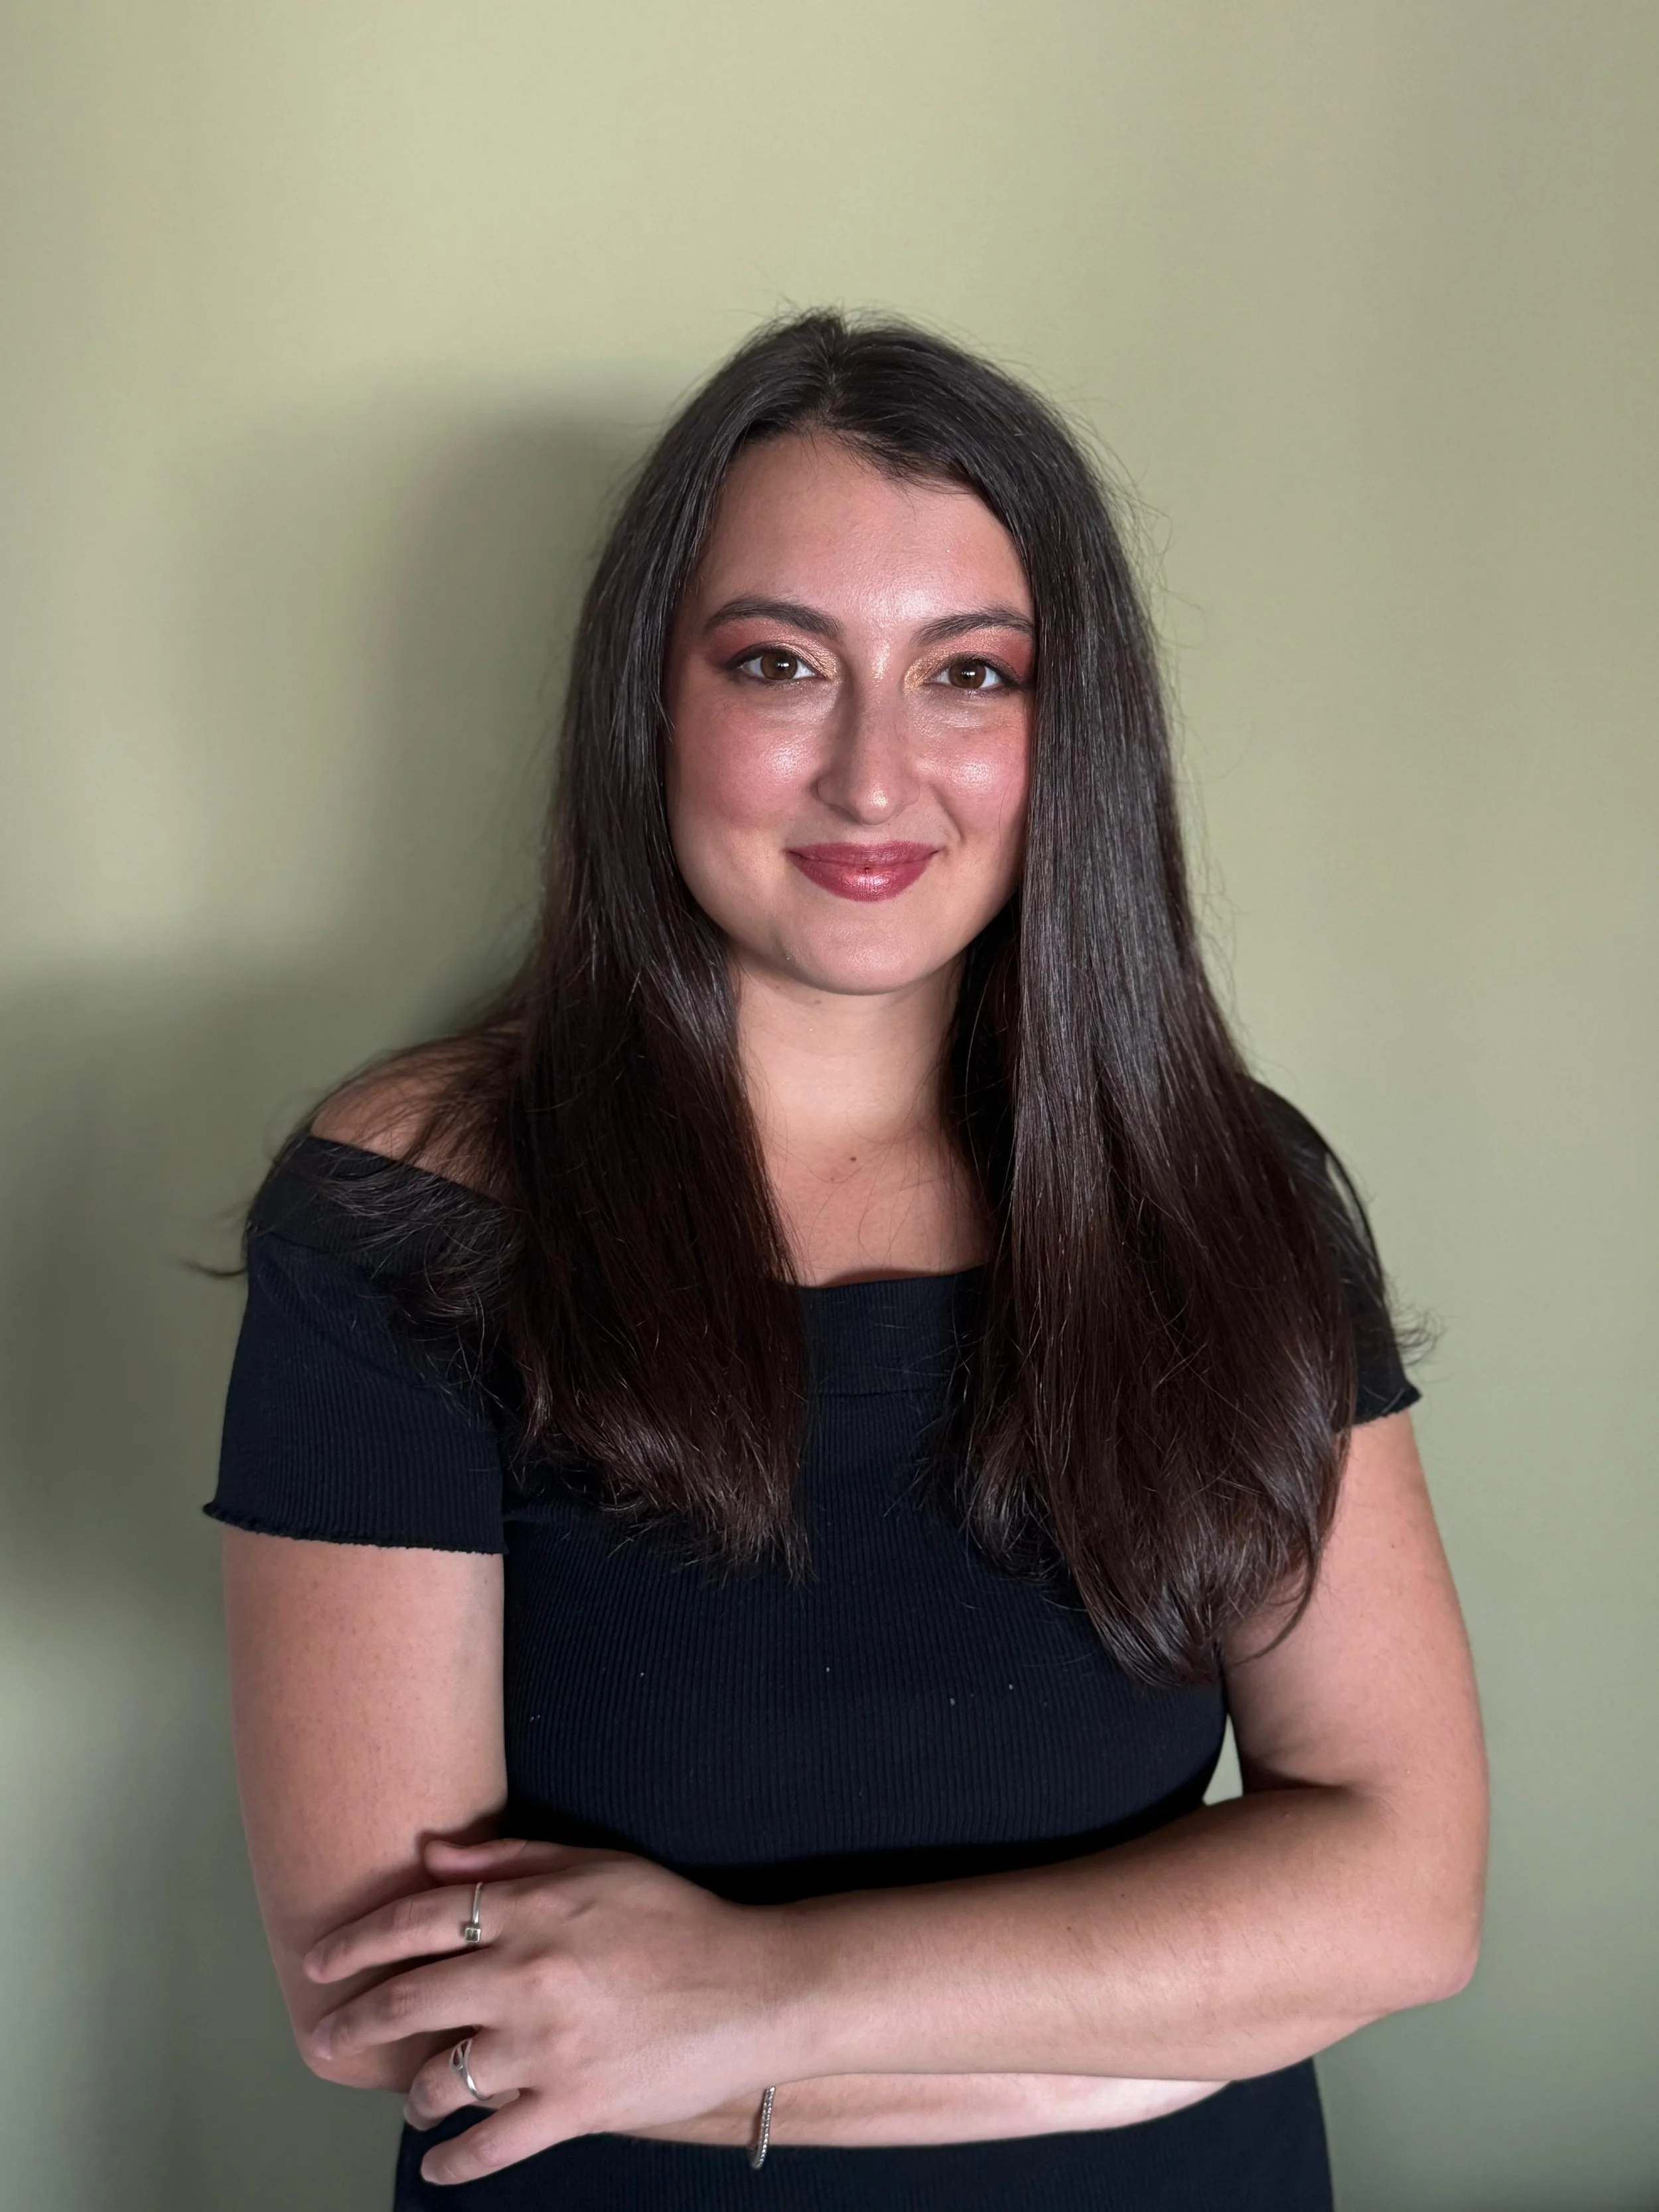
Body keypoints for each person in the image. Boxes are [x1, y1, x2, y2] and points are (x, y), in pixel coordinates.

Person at [208, 311, 1486, 2212]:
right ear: (651, 702)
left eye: (969, 673)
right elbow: (396, 2012)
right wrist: (1131, 2041)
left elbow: (1405, 1895)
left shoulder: (1227, 1189)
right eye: (780, 665)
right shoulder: (417, 1207)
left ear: (1069, 731)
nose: (875, 779)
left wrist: (755, 1998)